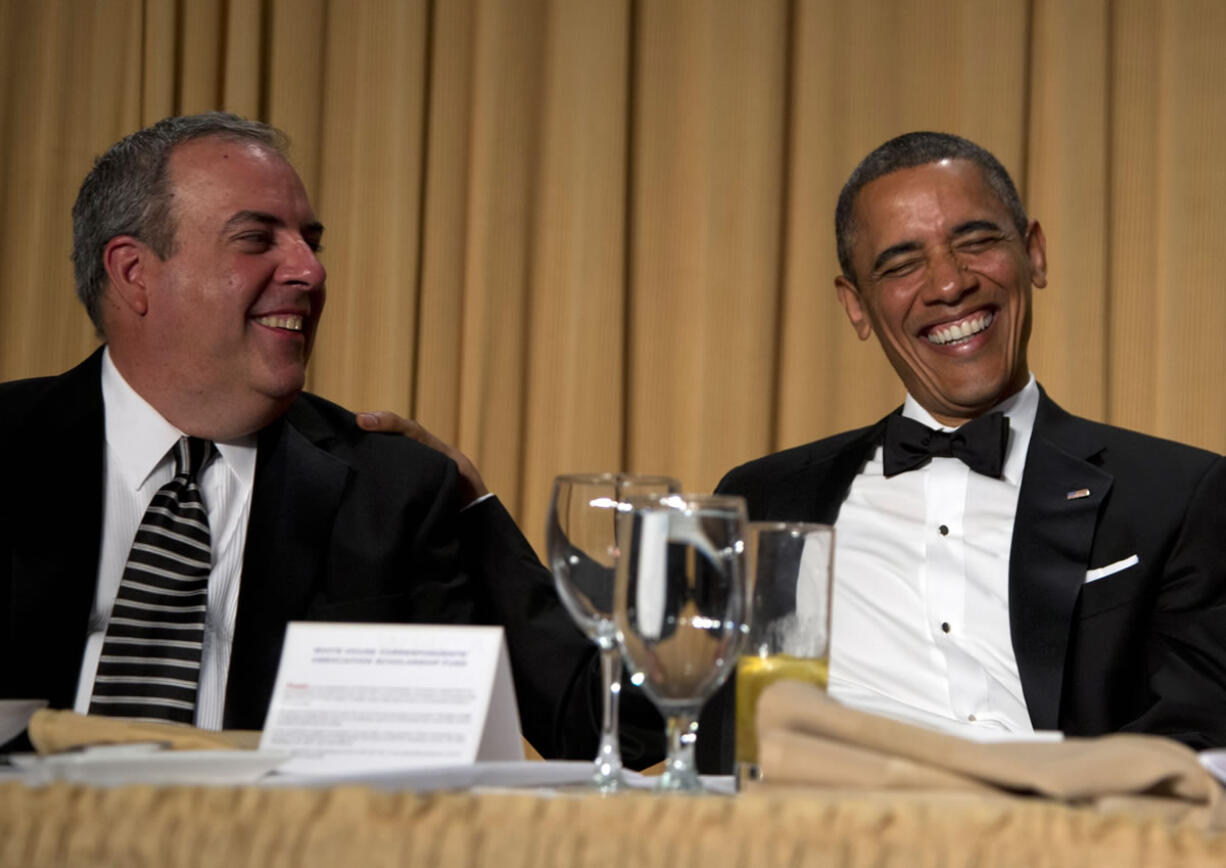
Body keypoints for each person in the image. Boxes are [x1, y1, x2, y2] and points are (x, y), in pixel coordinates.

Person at [0, 112, 600, 759]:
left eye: (311, 242)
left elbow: (585, 723)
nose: (309, 271)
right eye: (257, 239)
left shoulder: (394, 492)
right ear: (133, 272)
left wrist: (472, 511)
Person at [700, 131, 1226, 772]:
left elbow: (1198, 738)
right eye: (900, 264)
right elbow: (625, 696)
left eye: (976, 242)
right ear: (855, 306)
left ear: (1033, 254)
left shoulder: (1179, 494)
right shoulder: (763, 501)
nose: (948, 284)